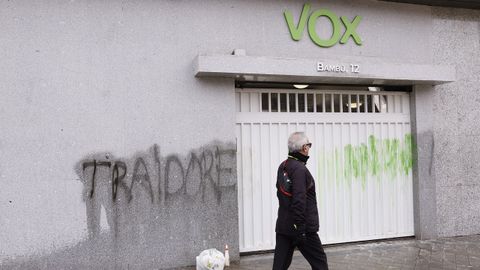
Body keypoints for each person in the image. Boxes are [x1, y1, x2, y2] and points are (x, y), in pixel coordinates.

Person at [272, 132, 328, 270]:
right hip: (302, 227)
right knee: (320, 264)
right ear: (304, 148)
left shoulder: (283, 165)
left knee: (279, 266)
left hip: (284, 226)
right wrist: (300, 229)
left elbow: (281, 194)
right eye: (309, 145)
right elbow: (299, 200)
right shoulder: (299, 169)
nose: (309, 148)